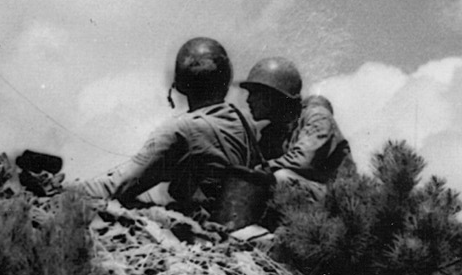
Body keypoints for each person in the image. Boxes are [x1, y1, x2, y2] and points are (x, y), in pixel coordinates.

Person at [78, 37, 263, 216]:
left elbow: (119, 186)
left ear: (182, 82)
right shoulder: (245, 121)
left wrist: (66, 188)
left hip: (203, 229)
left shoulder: (181, 130)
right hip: (238, 220)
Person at [239, 58, 353, 193]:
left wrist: (259, 170)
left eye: (255, 93)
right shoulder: (272, 132)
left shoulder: (318, 118)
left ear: (274, 95)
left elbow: (302, 161)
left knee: (280, 178)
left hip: (339, 199)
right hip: (306, 201)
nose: (248, 100)